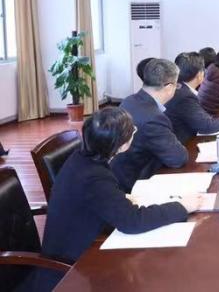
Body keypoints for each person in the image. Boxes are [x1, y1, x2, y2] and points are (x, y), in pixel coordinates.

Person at [37, 107, 201, 290]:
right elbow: (132, 222)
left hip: (84, 242)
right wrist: (181, 206)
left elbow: (96, 198)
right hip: (71, 268)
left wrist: (119, 198)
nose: (134, 132)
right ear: (122, 145)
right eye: (133, 130)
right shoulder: (93, 176)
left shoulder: (84, 158)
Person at [111, 59, 188, 191]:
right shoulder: (153, 118)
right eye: (177, 85)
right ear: (169, 87)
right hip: (135, 183)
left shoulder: (129, 100)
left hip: (118, 175)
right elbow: (178, 158)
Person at [165, 52, 219, 144]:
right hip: (185, 144)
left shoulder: (179, 88)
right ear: (199, 74)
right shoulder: (184, 96)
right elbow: (206, 126)